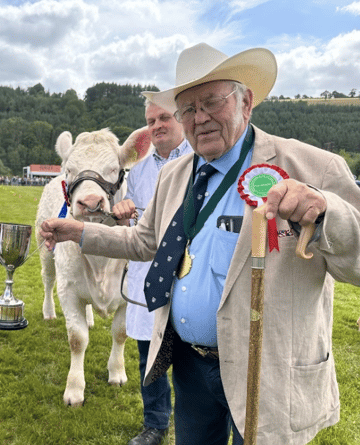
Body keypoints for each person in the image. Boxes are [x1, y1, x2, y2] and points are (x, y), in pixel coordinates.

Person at [40, 43, 360, 445]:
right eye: (188, 109)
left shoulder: (312, 166)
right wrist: (79, 232)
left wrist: (326, 212)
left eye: (212, 102)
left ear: (246, 102)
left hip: (268, 369)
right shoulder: (175, 174)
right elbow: (146, 242)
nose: (200, 118)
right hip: (190, 364)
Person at [113, 100, 192, 445]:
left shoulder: (201, 156)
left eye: (163, 117)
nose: (156, 125)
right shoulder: (139, 171)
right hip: (150, 271)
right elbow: (132, 224)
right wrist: (122, 213)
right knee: (150, 354)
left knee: (193, 353)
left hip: (191, 272)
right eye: (150, 120)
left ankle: (194, 423)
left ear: (180, 118)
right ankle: (155, 424)